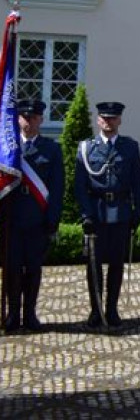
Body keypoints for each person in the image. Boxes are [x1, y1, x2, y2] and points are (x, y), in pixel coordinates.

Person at [75, 101, 140, 328]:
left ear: (120, 120)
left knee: (116, 264)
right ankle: (95, 310)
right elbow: (80, 186)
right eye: (104, 118)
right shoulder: (87, 148)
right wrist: (86, 215)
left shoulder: (130, 147)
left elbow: (137, 182)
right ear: (98, 120)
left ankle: (112, 309)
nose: (108, 122)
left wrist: (138, 212)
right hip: (95, 212)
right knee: (93, 265)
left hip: (120, 213)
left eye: (113, 118)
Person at [3, 99, 64, 332]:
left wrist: (52, 220)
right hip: (12, 221)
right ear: (18, 119)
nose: (29, 122)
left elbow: (57, 188)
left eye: (34, 118)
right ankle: (13, 314)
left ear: (41, 120)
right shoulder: (6, 149)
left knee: (33, 268)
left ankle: (30, 314)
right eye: (25, 117)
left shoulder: (51, 149)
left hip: (37, 220)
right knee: (12, 268)